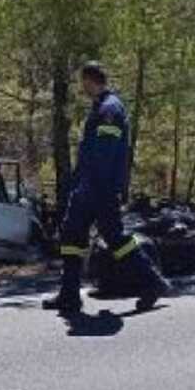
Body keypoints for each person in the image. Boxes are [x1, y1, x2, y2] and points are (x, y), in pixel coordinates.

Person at [44, 61, 173, 316]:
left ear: (91, 80)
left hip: (98, 189)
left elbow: (104, 154)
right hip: (90, 188)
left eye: (83, 82)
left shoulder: (110, 109)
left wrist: (92, 187)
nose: (82, 88)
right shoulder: (101, 107)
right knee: (72, 237)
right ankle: (69, 295)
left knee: (116, 238)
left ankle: (153, 282)